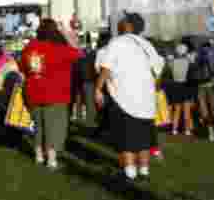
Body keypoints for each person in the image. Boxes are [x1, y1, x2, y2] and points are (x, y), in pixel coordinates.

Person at [94, 12, 164, 182]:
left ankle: (129, 172)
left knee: (126, 138)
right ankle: (144, 170)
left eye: (122, 21)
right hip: (146, 99)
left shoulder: (117, 43)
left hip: (123, 97)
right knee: (143, 137)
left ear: (128, 26)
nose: (119, 23)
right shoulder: (147, 44)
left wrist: (98, 88)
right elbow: (159, 69)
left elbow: (106, 67)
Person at [20, 19, 82, 170]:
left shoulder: (30, 48)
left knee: (39, 126)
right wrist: (65, 33)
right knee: (55, 126)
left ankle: (39, 155)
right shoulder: (58, 49)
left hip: (33, 92)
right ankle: (51, 159)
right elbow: (78, 52)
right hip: (56, 94)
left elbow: (22, 67)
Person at [166, 43, 195, 136]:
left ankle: (174, 129)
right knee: (186, 110)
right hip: (186, 86)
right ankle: (187, 130)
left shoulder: (172, 62)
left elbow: (169, 63)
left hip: (176, 86)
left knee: (177, 110)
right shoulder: (188, 61)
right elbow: (193, 62)